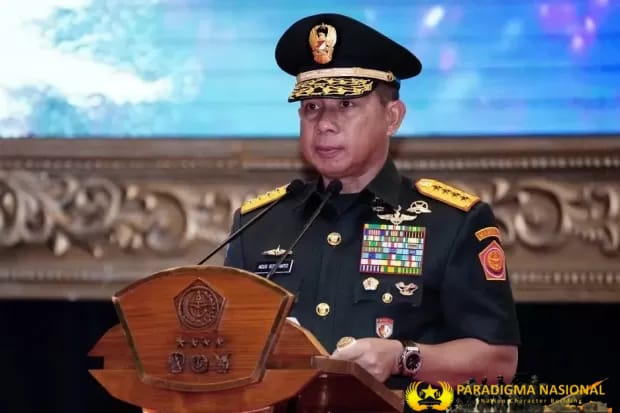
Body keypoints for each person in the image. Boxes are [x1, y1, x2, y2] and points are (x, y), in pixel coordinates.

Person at [224, 12, 520, 409]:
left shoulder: (453, 222)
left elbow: (499, 363)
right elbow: (225, 352)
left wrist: (402, 357)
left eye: (346, 104)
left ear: (392, 117)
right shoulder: (259, 223)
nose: (324, 124)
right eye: (311, 107)